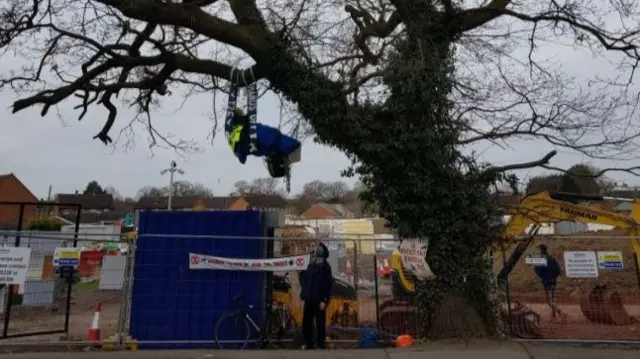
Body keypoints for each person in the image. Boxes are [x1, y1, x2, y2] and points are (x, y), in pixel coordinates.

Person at [300, 242, 333, 349]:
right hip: (309, 299)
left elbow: (328, 286)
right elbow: (306, 281)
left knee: (320, 324)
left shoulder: (326, 268)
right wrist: (304, 295)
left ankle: (320, 344)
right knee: (307, 323)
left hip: (319, 300)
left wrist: (324, 300)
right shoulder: (311, 266)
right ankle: (309, 344)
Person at [533, 243, 563, 318]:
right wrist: (555, 275)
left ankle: (560, 311)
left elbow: (537, 270)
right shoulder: (551, 258)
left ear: (541, 249)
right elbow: (558, 269)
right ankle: (554, 314)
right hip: (554, 281)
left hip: (546, 281)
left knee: (549, 301)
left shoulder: (541, 259)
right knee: (553, 298)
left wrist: (543, 276)